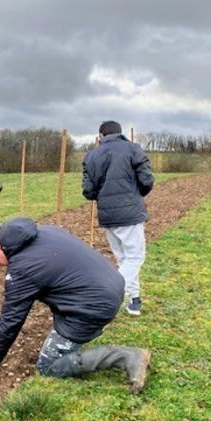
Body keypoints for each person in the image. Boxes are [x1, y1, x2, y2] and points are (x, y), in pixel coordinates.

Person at [0, 217, 151, 394]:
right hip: (110, 284)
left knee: (48, 366)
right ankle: (73, 336)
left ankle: (127, 357)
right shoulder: (46, 232)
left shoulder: (23, 268)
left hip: (94, 305)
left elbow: (11, 320)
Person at [82, 120, 155, 316]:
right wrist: (135, 194)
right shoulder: (133, 149)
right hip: (129, 214)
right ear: (120, 133)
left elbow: (88, 192)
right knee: (135, 257)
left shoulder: (92, 155)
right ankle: (103, 294)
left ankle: (134, 301)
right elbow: (147, 180)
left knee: (124, 259)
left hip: (107, 216)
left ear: (101, 135)